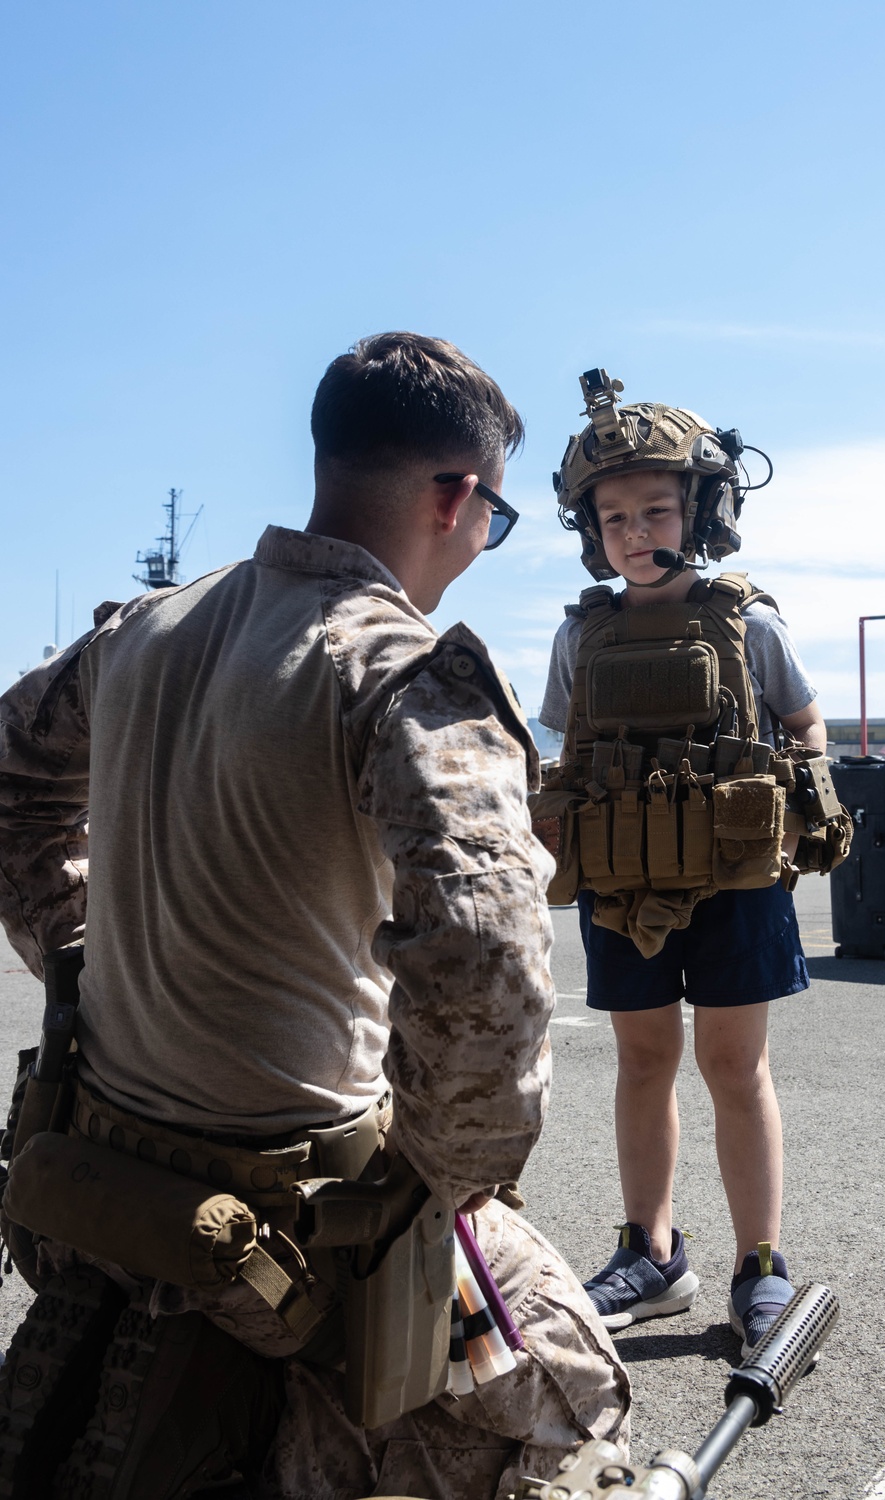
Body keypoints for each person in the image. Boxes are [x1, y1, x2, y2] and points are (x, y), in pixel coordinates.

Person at [0, 333, 629, 1500]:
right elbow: (486, 966)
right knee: (573, 1398)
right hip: (289, 1212)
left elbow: (11, 786)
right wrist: (438, 1184)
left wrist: (78, 962)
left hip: (100, 1159)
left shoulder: (139, 631)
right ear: (456, 498)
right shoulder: (398, 669)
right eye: (492, 522)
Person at [537, 370, 828, 1354]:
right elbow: (561, 750)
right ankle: (652, 1253)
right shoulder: (581, 633)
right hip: (620, 883)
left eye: (654, 508)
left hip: (737, 880)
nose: (630, 530)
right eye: (611, 515)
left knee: (733, 1066)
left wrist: (804, 800)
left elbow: (803, 722)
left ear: (703, 510)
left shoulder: (747, 620)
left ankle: (761, 1263)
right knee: (642, 1062)